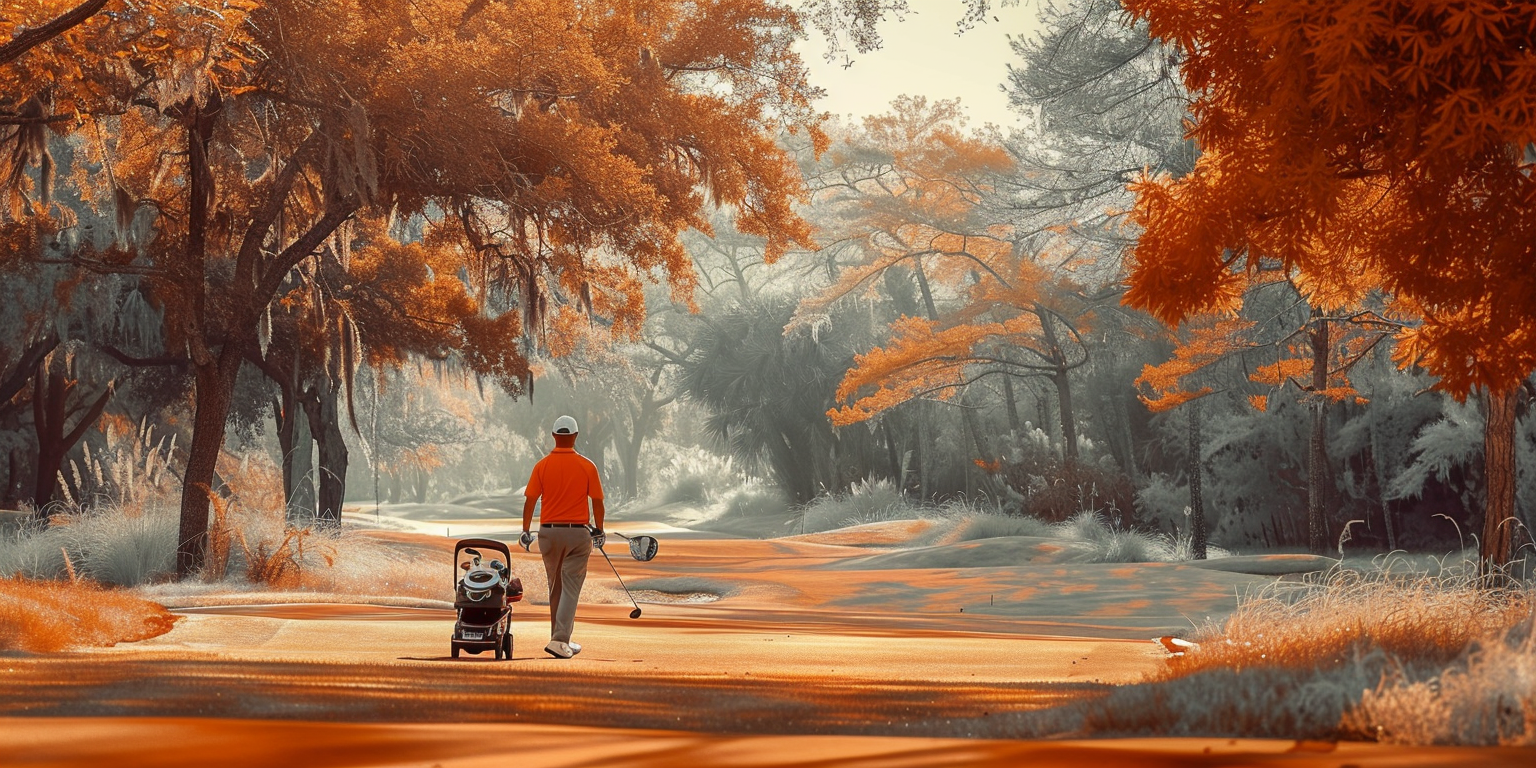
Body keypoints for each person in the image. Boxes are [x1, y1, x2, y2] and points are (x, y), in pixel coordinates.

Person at [519, 415, 606, 659]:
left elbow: (530, 501)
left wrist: (526, 530)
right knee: (570, 587)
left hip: (548, 533)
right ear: (576, 437)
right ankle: (560, 639)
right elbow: (597, 502)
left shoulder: (542, 465)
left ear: (554, 436)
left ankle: (559, 639)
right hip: (577, 534)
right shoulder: (587, 465)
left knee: (555, 587)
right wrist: (599, 529)